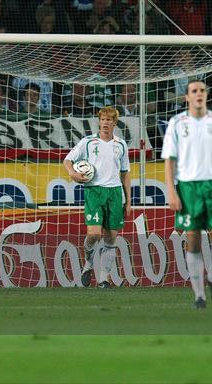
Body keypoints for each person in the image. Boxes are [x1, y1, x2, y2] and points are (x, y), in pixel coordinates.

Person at [161, 80, 212, 309]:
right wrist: (171, 191)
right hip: (187, 188)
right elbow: (169, 160)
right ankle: (199, 295)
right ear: (187, 97)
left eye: (202, 90)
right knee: (193, 241)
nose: (199, 94)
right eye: (194, 91)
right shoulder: (177, 123)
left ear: (207, 94)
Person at [63, 106, 131, 288]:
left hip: (115, 193)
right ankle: (88, 264)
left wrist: (129, 201)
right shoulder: (88, 142)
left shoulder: (121, 144)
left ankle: (103, 279)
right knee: (93, 234)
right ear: (99, 121)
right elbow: (67, 160)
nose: (105, 123)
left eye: (109, 120)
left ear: (114, 123)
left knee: (110, 238)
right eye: (103, 119)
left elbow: (125, 174)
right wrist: (72, 174)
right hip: (94, 191)